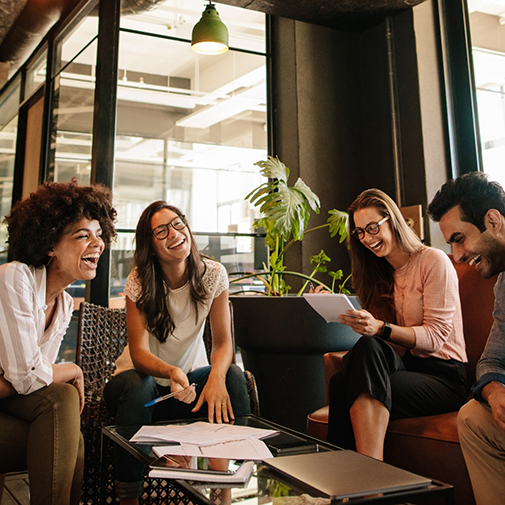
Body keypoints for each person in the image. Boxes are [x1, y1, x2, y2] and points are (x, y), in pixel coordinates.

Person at [103, 200, 251, 505]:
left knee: (232, 377)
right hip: (138, 393)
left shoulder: (213, 274)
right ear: (150, 245)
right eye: (161, 230)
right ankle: (128, 498)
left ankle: (222, 490)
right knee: (138, 383)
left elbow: (223, 342)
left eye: (178, 223)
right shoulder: (140, 282)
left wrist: (217, 377)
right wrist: (171, 371)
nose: (174, 233)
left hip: (182, 392)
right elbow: (139, 354)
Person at [326, 188, 468, 461]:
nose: (367, 238)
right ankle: (347, 484)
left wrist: (380, 328)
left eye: (372, 228)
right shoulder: (378, 274)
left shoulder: (433, 261)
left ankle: (369, 479)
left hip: (445, 378)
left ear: (391, 220)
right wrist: (356, 319)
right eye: (360, 233)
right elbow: (389, 348)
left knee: (348, 378)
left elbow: (436, 337)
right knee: (349, 370)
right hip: (407, 368)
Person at [0, 179, 117, 505]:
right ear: (50, 244)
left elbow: (33, 381)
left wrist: (24, 377)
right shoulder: (15, 278)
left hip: (7, 405)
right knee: (63, 411)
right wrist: (74, 370)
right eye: (83, 235)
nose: (98, 243)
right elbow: (28, 376)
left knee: (65, 427)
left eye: (99, 233)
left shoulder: (64, 303)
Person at [428, 172, 505, 505]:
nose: (457, 255)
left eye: (459, 238)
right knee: (473, 417)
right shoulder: (503, 285)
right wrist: (495, 389)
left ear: (493, 220)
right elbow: (490, 360)